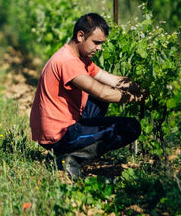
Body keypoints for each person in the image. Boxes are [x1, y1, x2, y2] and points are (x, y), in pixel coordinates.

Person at [29, 13, 146, 179]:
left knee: (104, 91)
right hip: (59, 136)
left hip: (62, 127)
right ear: (80, 36)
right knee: (130, 127)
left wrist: (139, 87)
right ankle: (72, 159)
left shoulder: (77, 57)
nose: (99, 48)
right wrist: (136, 98)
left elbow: (111, 80)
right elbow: (101, 92)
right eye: (96, 43)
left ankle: (66, 154)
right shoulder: (67, 62)